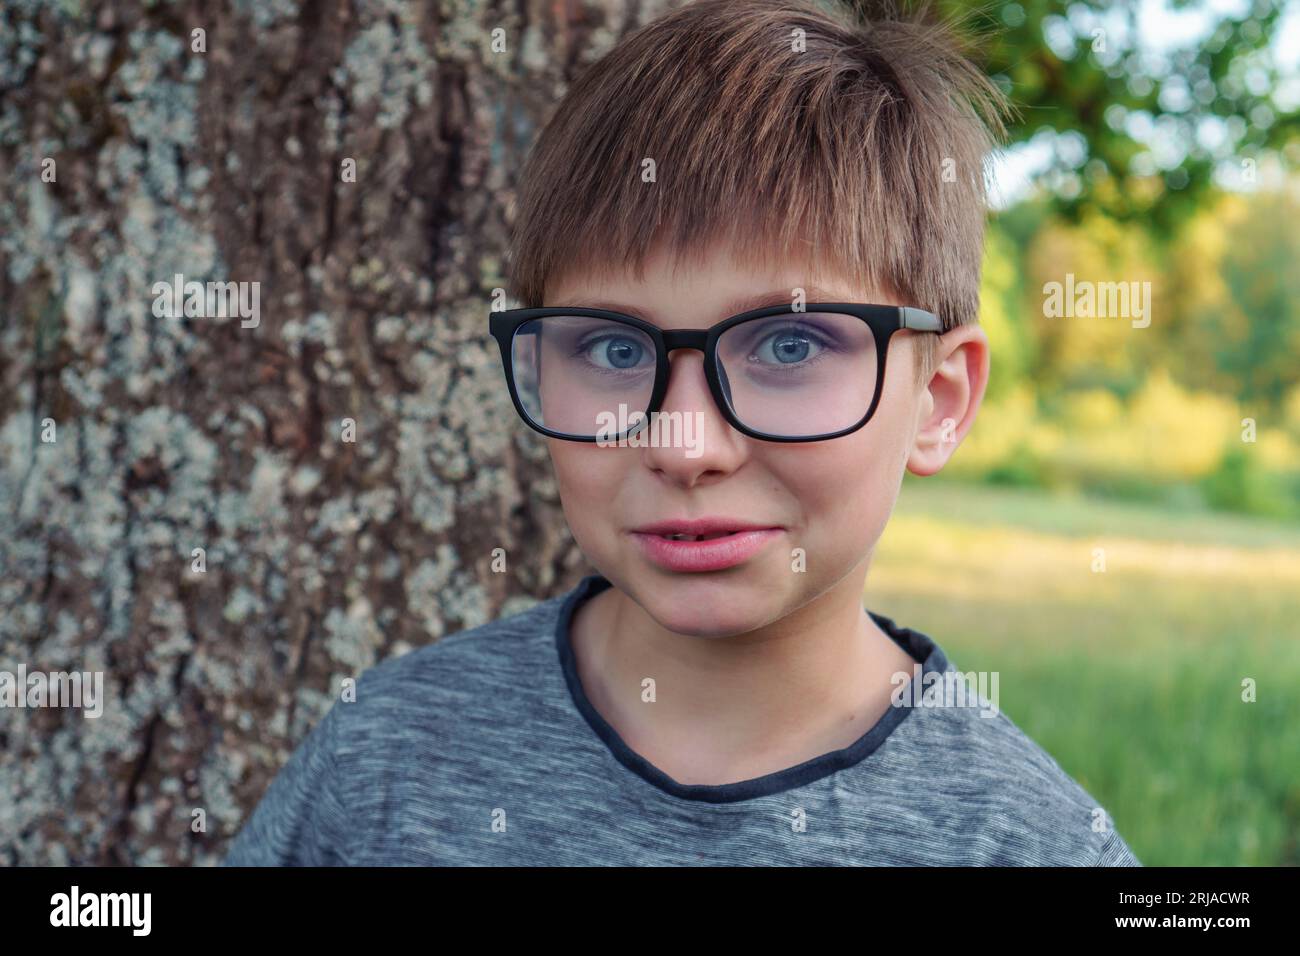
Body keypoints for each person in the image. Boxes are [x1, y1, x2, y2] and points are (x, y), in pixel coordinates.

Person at [224, 0, 1141, 866]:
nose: (685, 444)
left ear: (937, 401)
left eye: (789, 342)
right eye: (614, 348)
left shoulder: (1025, 845)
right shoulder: (386, 758)